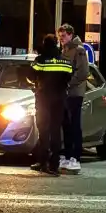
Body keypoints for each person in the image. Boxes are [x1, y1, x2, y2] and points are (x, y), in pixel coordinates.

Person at [26, 34, 72, 176]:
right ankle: (54, 164)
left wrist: (36, 85)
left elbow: (29, 77)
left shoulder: (40, 61)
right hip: (59, 100)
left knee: (43, 131)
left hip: (43, 100)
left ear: (45, 44)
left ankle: (42, 162)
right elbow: (69, 78)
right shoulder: (66, 62)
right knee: (56, 131)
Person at [57, 23, 90, 175]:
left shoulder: (79, 50)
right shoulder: (64, 49)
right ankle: (67, 155)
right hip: (66, 93)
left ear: (70, 35)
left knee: (74, 125)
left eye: (63, 36)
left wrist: (69, 84)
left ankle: (75, 157)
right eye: (60, 36)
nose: (61, 39)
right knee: (66, 125)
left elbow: (83, 72)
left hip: (75, 93)